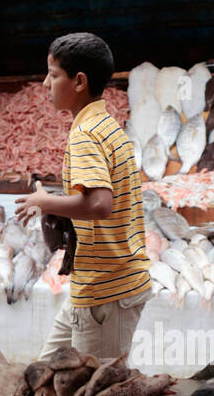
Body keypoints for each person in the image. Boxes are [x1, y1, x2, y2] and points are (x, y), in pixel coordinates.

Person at [16, 33, 151, 362]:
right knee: (45, 372)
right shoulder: (103, 124)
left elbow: (99, 204)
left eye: (53, 74)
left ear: (79, 81)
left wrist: (43, 202)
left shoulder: (86, 134)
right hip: (91, 285)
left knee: (94, 391)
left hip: (107, 292)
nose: (46, 83)